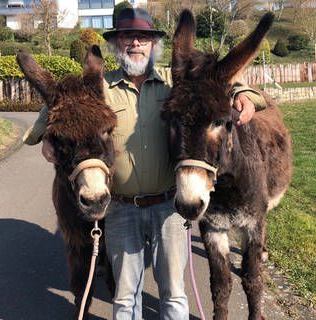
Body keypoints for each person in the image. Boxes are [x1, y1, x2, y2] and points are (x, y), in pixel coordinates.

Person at [24, 7, 266, 320]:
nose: (136, 43)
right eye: (127, 37)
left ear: (154, 45)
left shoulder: (174, 82)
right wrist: (46, 134)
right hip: (122, 208)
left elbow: (216, 83)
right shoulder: (99, 89)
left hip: (168, 207)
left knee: (174, 294)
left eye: (143, 38)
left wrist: (244, 93)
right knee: (125, 298)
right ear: (116, 45)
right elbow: (57, 109)